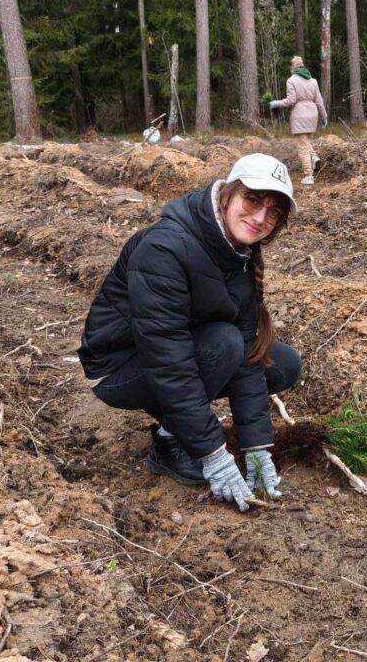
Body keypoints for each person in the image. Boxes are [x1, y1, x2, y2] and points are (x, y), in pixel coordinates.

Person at [77, 154, 302, 512]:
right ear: (228, 193)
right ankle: (170, 442)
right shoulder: (164, 248)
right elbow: (168, 359)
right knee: (224, 343)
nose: (261, 218)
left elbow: (248, 351)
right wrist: (214, 455)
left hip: (180, 348)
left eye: (273, 212)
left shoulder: (240, 254)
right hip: (119, 366)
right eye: (252, 200)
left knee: (280, 363)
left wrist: (257, 448)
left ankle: (184, 424)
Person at [268, 56, 328, 186]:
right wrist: (324, 117)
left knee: (302, 147)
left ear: (293, 67)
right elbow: (319, 101)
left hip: (299, 115)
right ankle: (314, 157)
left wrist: (276, 103)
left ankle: (309, 175)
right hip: (312, 115)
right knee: (305, 141)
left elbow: (291, 100)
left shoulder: (291, 80)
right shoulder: (313, 81)